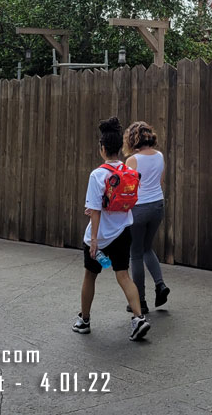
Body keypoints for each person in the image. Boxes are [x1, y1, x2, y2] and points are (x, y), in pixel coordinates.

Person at [73, 116, 150, 341]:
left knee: (90, 276)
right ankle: (139, 318)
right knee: (123, 275)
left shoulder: (98, 175)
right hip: (123, 231)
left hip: (101, 236)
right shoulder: (128, 172)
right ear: (119, 148)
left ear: (103, 148)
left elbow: (95, 210)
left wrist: (94, 240)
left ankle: (84, 320)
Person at [124, 120, 171, 313]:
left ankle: (139, 301)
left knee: (135, 253)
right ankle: (160, 285)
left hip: (139, 208)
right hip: (157, 206)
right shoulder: (159, 156)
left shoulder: (132, 161)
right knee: (147, 248)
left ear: (132, 139)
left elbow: (128, 190)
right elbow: (160, 182)